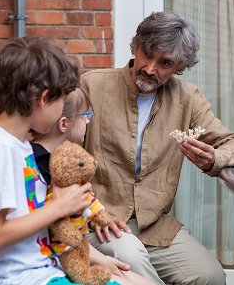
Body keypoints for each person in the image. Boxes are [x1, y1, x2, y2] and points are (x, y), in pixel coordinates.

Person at [80, 11, 234, 285]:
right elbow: (60, 159)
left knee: (210, 276)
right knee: (131, 260)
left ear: (179, 67)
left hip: (154, 226)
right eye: (146, 54)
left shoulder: (187, 98)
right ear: (135, 45)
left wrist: (214, 158)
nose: (149, 68)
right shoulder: (92, 86)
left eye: (165, 62)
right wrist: (94, 210)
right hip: (98, 220)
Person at [0, 37, 94, 285]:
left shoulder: (17, 143)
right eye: (61, 100)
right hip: (17, 279)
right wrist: (59, 207)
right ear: (44, 99)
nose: (60, 111)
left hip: (40, 272)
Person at [30, 88, 157, 285]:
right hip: (54, 263)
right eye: (86, 115)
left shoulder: (59, 160)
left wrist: (102, 259)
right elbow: (56, 231)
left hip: (69, 256)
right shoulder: (43, 167)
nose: (89, 121)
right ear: (64, 124)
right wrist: (98, 260)